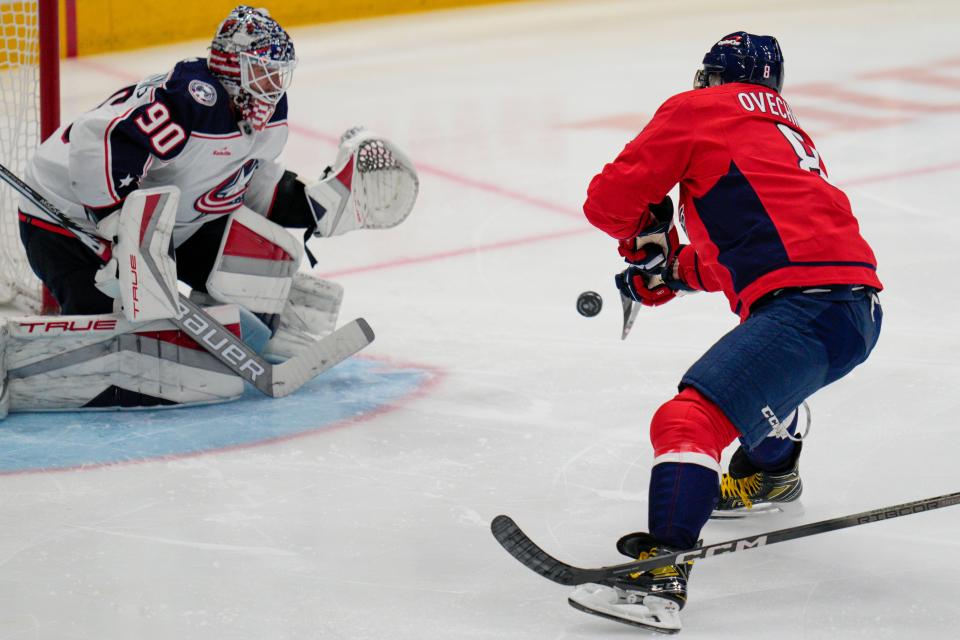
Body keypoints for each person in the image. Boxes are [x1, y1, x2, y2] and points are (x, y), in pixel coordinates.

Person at [568, 32, 882, 633]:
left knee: (687, 421)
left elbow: (608, 200)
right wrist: (672, 272)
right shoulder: (784, 136)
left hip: (807, 310)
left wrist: (643, 232)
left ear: (708, 77)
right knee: (754, 385)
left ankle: (660, 577)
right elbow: (753, 250)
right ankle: (771, 470)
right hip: (853, 311)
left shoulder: (699, 110)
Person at [10, 5, 417, 412]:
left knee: (261, 252)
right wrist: (118, 230)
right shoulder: (190, 101)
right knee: (115, 333)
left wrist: (310, 206)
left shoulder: (271, 116)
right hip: (63, 218)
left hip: (161, 223)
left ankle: (261, 329)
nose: (273, 84)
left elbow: (247, 183)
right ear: (231, 66)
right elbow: (97, 140)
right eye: (262, 71)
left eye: (279, 72)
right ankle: (25, 369)